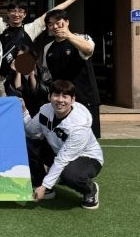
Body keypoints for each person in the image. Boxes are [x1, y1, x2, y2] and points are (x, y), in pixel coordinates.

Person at [23, 80, 103, 209]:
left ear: (72, 100)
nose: (60, 100)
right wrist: (24, 111)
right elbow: (30, 131)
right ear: (49, 96)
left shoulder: (79, 127)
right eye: (56, 95)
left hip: (87, 158)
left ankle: (90, 190)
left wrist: (45, 185)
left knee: (69, 174)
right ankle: (42, 185)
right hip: (58, 151)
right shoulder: (45, 110)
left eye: (65, 96)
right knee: (29, 143)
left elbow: (62, 159)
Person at [43, 9, 101, 138]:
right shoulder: (48, 48)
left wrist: (68, 35)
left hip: (85, 98)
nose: (55, 26)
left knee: (87, 139)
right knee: (63, 138)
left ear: (67, 22)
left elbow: (89, 49)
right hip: (62, 101)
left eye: (58, 22)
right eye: (50, 24)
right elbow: (47, 76)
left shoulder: (82, 38)